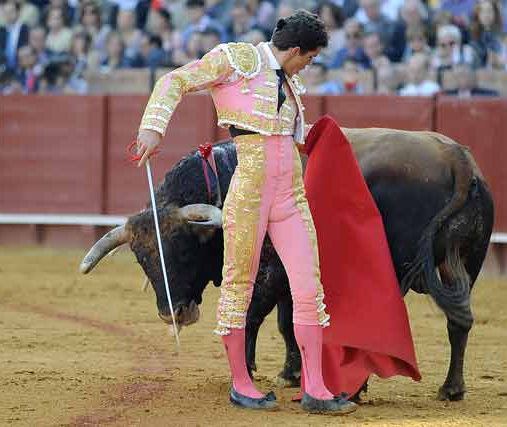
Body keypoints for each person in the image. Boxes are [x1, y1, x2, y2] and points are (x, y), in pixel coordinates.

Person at [134, 10, 357, 415]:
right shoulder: (235, 59)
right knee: (240, 283)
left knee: (308, 286)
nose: (311, 64)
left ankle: (315, 387)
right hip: (250, 187)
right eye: (310, 57)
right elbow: (175, 79)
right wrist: (154, 127)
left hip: (290, 191)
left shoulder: (289, 83)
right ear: (295, 50)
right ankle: (241, 383)